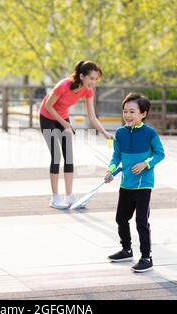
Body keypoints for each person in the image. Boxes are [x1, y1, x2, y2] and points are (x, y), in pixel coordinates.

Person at [39, 60, 113, 209]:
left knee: (69, 156)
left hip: (62, 118)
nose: (93, 82)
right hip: (47, 116)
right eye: (91, 78)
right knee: (56, 156)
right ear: (81, 76)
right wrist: (64, 123)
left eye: (95, 79)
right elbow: (48, 105)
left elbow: (92, 117)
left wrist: (105, 133)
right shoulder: (63, 85)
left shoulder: (88, 90)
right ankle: (55, 198)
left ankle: (69, 196)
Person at [104, 93, 165, 273]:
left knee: (141, 222)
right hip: (126, 184)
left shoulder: (150, 133)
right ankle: (126, 250)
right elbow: (116, 156)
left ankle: (146, 257)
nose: (128, 115)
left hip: (144, 185)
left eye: (132, 111)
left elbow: (160, 154)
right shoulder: (120, 133)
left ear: (143, 114)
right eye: (125, 111)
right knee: (121, 218)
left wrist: (146, 163)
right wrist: (111, 170)